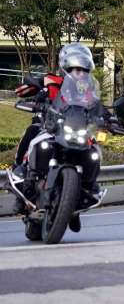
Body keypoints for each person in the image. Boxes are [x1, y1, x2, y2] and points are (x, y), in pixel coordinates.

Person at [12, 43, 95, 215]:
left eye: (81, 69)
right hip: (48, 125)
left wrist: (109, 118)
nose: (78, 72)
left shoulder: (87, 90)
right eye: (74, 68)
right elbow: (20, 91)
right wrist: (38, 86)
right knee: (31, 130)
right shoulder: (52, 80)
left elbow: (96, 106)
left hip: (74, 129)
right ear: (65, 66)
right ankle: (19, 173)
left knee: (93, 149)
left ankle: (84, 190)